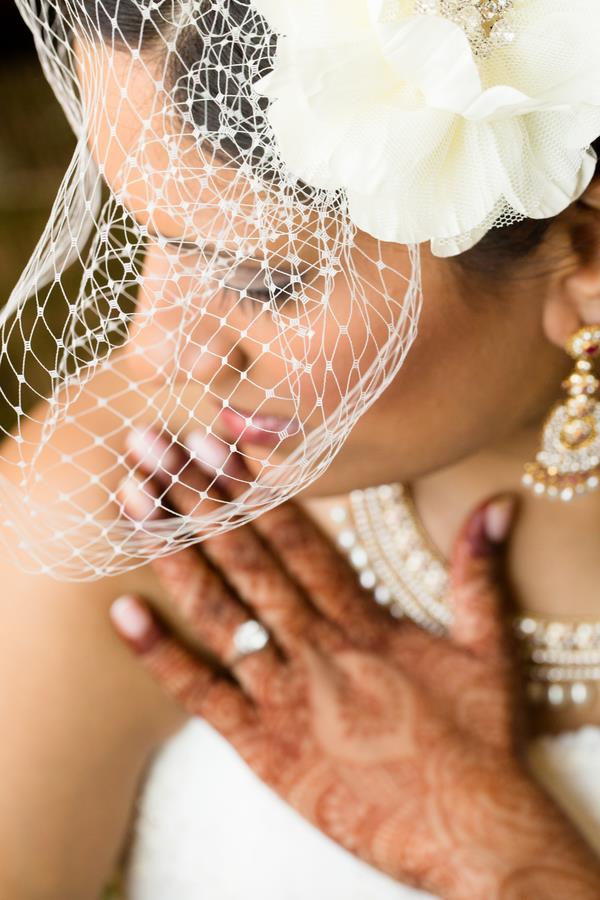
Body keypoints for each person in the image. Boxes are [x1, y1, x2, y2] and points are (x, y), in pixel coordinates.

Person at [2, 1, 600, 898]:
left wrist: (513, 869)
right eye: (148, 240)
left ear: (583, 255)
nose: (156, 352)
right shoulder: (125, 509)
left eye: (260, 282)